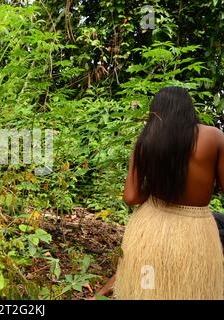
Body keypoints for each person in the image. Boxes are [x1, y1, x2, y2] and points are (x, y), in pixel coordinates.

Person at [95, 87, 224, 300]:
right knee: (193, 290)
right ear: (189, 110)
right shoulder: (214, 137)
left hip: (151, 229)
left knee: (149, 287)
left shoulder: (147, 140)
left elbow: (131, 197)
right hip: (197, 232)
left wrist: (155, 186)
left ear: (156, 112)